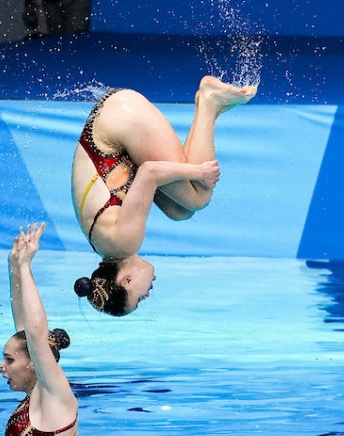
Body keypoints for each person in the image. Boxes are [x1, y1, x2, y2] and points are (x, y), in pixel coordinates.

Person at [72, 77, 258, 316]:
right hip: (112, 123)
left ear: (126, 281)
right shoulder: (106, 248)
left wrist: (199, 172)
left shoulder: (125, 242)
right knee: (179, 211)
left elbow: (149, 172)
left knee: (198, 195)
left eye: (139, 299)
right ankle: (208, 108)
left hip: (122, 118)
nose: (148, 294)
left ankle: (210, 101)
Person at [0, 223, 82, 436]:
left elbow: (34, 333)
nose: (1, 367)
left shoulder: (55, 397)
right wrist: (13, 269)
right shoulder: (37, 397)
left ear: (34, 361)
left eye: (9, 360)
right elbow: (25, 330)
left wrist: (26, 266)